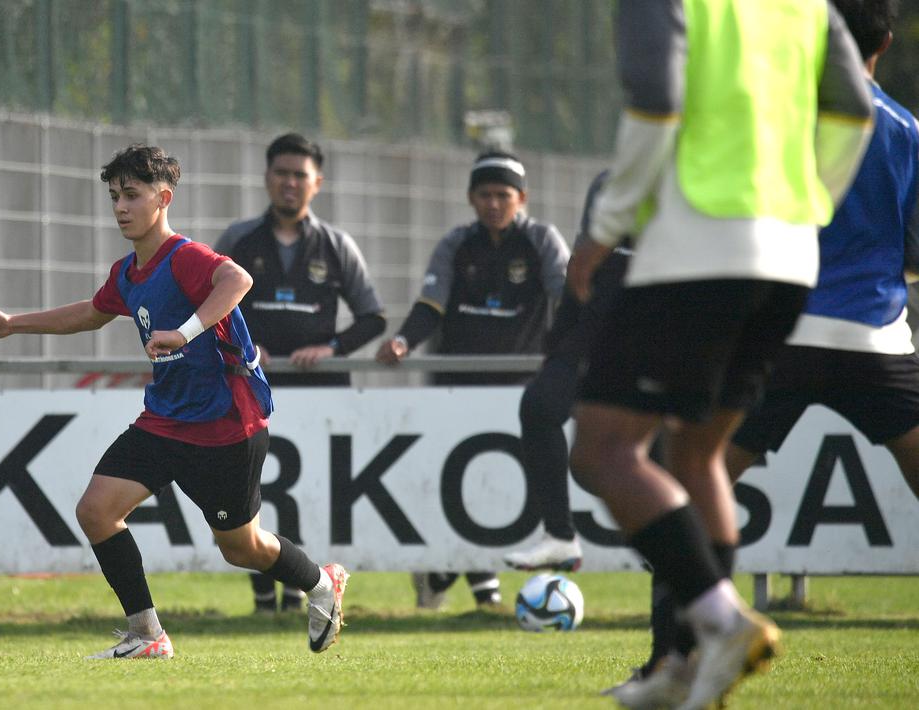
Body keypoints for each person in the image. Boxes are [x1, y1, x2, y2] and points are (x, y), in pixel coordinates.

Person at [607, 1, 916, 706]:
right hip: (873, 339)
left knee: (680, 483)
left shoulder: (763, 115)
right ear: (886, 43)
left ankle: (674, 660)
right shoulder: (905, 131)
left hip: (776, 333)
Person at [0, 144, 349, 659]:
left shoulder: (185, 257)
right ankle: (147, 634)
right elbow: (90, 312)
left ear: (163, 198)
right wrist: (14, 324)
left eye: (132, 195)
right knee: (96, 511)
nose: (121, 207)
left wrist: (186, 332)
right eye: (114, 196)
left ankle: (321, 581)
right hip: (165, 420)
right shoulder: (128, 272)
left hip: (224, 425)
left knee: (242, 548)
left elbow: (238, 279)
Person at [375, 150, 570, 609]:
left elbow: (567, 295)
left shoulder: (542, 240)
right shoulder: (457, 245)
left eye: (503, 194)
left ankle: (443, 575)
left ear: (521, 197)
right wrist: (404, 341)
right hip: (455, 388)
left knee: (506, 488)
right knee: (461, 487)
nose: (494, 203)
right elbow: (431, 304)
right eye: (485, 194)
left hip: (521, 389)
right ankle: (480, 589)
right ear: (471, 198)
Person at [215, 133, 386, 613]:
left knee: (310, 488)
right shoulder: (238, 240)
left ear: (317, 183)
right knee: (254, 488)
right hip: (250, 391)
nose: (290, 183)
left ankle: (299, 587)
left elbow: (373, 317)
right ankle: (264, 596)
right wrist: (245, 347)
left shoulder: (335, 245)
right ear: (267, 179)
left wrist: (330, 347)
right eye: (282, 174)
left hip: (322, 392)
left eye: (300, 175)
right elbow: (205, 306)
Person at [502, 170, 627, 573]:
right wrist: (558, 348)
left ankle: (675, 546)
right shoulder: (609, 181)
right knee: (539, 406)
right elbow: (580, 276)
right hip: (590, 337)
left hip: (650, 334)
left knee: (649, 451)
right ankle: (559, 536)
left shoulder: (682, 186)